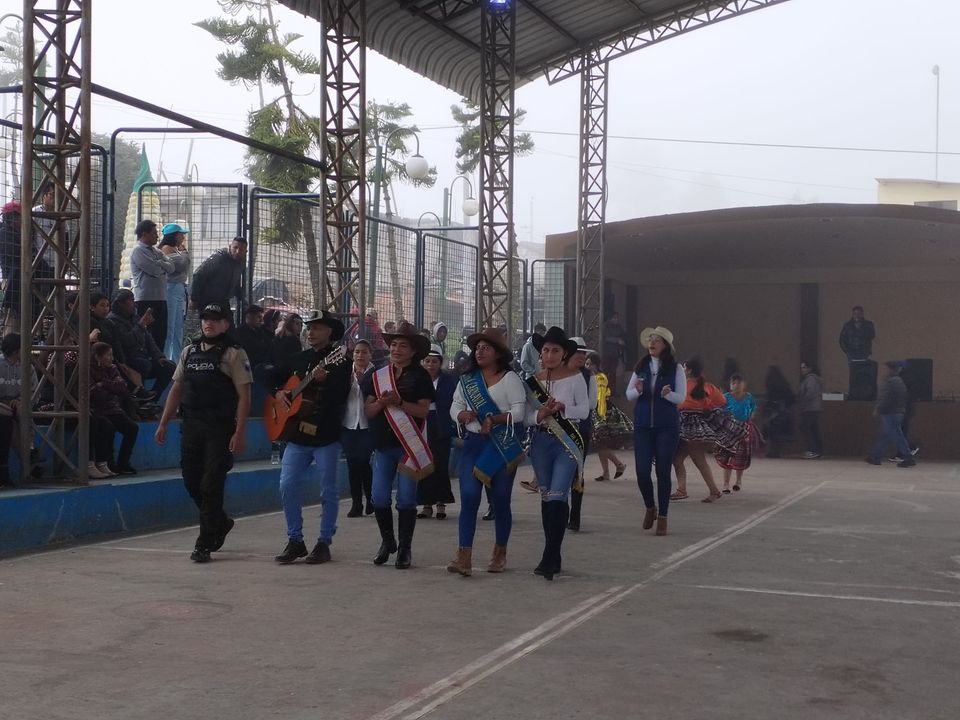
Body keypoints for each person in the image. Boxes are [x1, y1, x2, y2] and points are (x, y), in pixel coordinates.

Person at [155, 303, 252, 563]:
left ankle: (204, 543)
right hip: (191, 425)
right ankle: (219, 521)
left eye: (215, 319)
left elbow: (244, 395)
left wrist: (240, 431)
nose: (209, 323)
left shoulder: (234, 353)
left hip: (219, 428)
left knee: (211, 485)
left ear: (226, 324)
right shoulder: (189, 351)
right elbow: (177, 388)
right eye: (205, 318)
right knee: (191, 480)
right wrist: (163, 422)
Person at [271, 310, 351, 565]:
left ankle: (324, 542)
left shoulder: (340, 361)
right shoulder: (298, 358)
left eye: (317, 327)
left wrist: (325, 382)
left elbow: (340, 397)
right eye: (309, 327)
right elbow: (270, 377)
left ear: (329, 332)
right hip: (297, 435)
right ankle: (295, 539)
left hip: (326, 435)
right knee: (287, 485)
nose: (310, 332)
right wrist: (278, 393)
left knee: (328, 490)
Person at [446, 328, 526, 577]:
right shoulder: (467, 380)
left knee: (500, 500)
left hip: (501, 445)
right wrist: (462, 415)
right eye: (477, 348)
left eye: (486, 348)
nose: (480, 352)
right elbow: (454, 406)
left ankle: (500, 552)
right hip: (473, 443)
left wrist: (494, 418)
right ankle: (463, 556)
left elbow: (519, 413)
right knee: (469, 496)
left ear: (498, 353)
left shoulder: (510, 379)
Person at [362, 322, 434, 569]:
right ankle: (387, 541)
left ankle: (405, 548)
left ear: (413, 351)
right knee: (379, 496)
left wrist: (400, 402)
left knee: (405, 499)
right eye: (393, 344)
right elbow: (369, 411)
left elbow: (423, 411)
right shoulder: (377, 376)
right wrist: (382, 403)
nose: (396, 349)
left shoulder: (421, 376)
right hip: (382, 445)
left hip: (408, 446)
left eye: (403, 345)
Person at [525, 326, 590, 580]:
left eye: (555, 350)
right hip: (541, 443)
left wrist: (564, 408)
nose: (549, 355)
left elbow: (584, 409)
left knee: (558, 494)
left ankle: (549, 556)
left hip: (566, 443)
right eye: (545, 350)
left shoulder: (576, 378)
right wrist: (540, 414)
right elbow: (526, 417)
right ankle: (554, 553)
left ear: (564, 354)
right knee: (547, 497)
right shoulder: (533, 382)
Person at [627, 326, 686, 536]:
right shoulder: (641, 366)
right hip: (643, 426)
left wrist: (668, 395)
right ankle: (650, 506)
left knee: (663, 471)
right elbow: (628, 394)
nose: (652, 343)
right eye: (650, 339)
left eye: (657, 340)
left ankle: (663, 516)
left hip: (666, 427)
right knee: (642, 472)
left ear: (666, 346)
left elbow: (681, 398)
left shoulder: (675, 369)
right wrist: (637, 390)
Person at [672, 357, 746, 503]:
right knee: (678, 459)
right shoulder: (708, 386)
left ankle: (713, 491)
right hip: (697, 425)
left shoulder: (683, 385)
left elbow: (676, 401)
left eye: (685, 368)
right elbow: (722, 401)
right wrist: (706, 405)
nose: (683, 370)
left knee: (697, 459)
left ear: (689, 370)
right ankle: (682, 490)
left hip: (688, 426)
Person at [108, 289, 176, 399]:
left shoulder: (134, 317)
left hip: (142, 356)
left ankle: (152, 400)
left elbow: (149, 340)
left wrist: (159, 357)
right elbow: (127, 341)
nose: (134, 304)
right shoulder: (113, 320)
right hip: (126, 360)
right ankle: (139, 398)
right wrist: (140, 326)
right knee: (143, 364)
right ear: (121, 303)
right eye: (131, 300)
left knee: (169, 367)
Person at [416, 345, 457, 520]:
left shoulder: (448, 380)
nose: (431, 365)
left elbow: (451, 401)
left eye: (434, 361)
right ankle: (426, 504)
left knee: (440, 464)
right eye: (427, 361)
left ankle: (441, 502)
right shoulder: (418, 379)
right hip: (423, 424)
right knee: (424, 464)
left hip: (441, 425)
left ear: (440, 363)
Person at [89, 342, 139, 478]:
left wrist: (104, 384)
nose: (111, 358)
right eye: (108, 355)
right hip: (96, 409)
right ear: (98, 357)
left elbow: (122, 387)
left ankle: (123, 462)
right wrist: (110, 388)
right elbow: (93, 393)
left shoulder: (113, 369)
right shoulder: (88, 369)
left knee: (132, 428)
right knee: (107, 427)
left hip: (112, 408)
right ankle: (107, 462)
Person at [566, 337, 598, 533]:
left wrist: (572, 406)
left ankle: (575, 516)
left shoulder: (589, 376)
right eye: (577, 352)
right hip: (559, 428)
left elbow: (592, 403)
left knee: (577, 472)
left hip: (581, 429)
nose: (580, 355)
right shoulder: (558, 373)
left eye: (583, 353)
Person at [341, 339, 375, 517]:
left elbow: (376, 395)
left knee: (363, 460)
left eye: (364, 352)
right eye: (357, 352)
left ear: (370, 355)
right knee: (352, 464)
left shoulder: (376, 373)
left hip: (367, 426)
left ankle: (371, 498)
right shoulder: (346, 372)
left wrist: (363, 383)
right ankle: (356, 503)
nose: (360, 355)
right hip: (348, 424)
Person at [130, 219, 174, 352]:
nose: (157, 236)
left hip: (161, 298)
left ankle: (160, 360)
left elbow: (171, 267)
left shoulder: (156, 251)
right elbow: (154, 270)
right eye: (154, 233)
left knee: (161, 335)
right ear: (144, 234)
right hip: (145, 299)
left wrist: (159, 263)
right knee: (148, 335)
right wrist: (162, 266)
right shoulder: (138, 251)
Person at [0, 333, 38, 488]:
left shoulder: (28, 367)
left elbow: (34, 392)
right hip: (1, 404)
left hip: (17, 403)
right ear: (16, 350)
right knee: (8, 424)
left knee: (22, 412)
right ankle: (29, 458)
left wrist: (22, 400)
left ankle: (30, 450)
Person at [587, 352, 632, 482]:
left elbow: (600, 397)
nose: (587, 366)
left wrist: (601, 416)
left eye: (589, 364)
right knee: (600, 444)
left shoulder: (600, 377)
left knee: (600, 443)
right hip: (597, 411)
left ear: (595, 365)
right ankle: (609, 471)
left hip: (603, 411)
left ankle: (617, 466)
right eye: (586, 364)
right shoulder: (591, 377)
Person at [866, 361, 916, 468]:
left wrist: (878, 409)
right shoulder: (899, 381)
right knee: (885, 435)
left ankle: (908, 457)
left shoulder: (891, 382)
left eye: (886, 369)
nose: (884, 371)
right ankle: (875, 456)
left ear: (891, 369)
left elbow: (886, 397)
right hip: (896, 412)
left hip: (890, 412)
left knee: (897, 435)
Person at [714, 373, 758, 492]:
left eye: (739, 383)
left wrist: (750, 418)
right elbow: (719, 411)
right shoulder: (726, 397)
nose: (736, 385)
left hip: (744, 430)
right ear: (730, 385)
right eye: (733, 383)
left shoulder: (748, 397)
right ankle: (726, 484)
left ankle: (738, 481)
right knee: (727, 456)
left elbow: (753, 408)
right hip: (729, 431)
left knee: (741, 457)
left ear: (744, 384)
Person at [190, 236, 247, 317]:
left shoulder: (241, 262)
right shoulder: (218, 258)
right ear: (230, 246)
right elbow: (198, 275)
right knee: (211, 322)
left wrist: (242, 298)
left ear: (245, 251)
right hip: (208, 300)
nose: (237, 251)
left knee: (228, 323)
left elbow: (235, 281)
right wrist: (194, 299)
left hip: (223, 300)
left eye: (241, 249)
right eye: (235, 248)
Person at [159, 223, 190, 361]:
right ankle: (166, 359)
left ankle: (176, 361)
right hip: (170, 289)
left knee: (178, 327)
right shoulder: (166, 249)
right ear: (174, 236)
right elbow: (182, 265)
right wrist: (185, 254)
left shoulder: (176, 250)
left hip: (179, 289)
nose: (183, 238)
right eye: (181, 234)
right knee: (169, 327)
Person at [761, 366, 795, 458]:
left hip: (772, 412)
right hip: (783, 412)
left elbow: (768, 400)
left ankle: (772, 450)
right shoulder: (785, 386)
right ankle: (777, 451)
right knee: (778, 433)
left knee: (771, 432)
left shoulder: (770, 386)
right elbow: (792, 399)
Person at [236, 305, 274, 385]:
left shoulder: (260, 332)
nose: (261, 320)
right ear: (249, 317)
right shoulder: (239, 333)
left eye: (261, 317)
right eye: (258, 317)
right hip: (248, 371)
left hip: (261, 369)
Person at [798, 361, 823, 459]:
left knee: (806, 428)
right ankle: (818, 450)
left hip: (810, 407)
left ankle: (812, 450)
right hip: (814, 407)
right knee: (813, 429)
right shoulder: (813, 379)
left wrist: (803, 401)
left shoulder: (810, 379)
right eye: (801, 368)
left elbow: (810, 393)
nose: (802, 370)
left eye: (804, 367)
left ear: (810, 368)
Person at [602, 312, 626, 391]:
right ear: (610, 318)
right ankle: (604, 389)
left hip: (615, 353)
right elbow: (606, 338)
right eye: (614, 318)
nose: (616, 319)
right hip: (606, 353)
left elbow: (623, 335)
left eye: (617, 318)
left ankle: (612, 390)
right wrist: (617, 340)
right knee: (605, 372)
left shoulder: (619, 327)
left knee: (613, 373)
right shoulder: (606, 326)